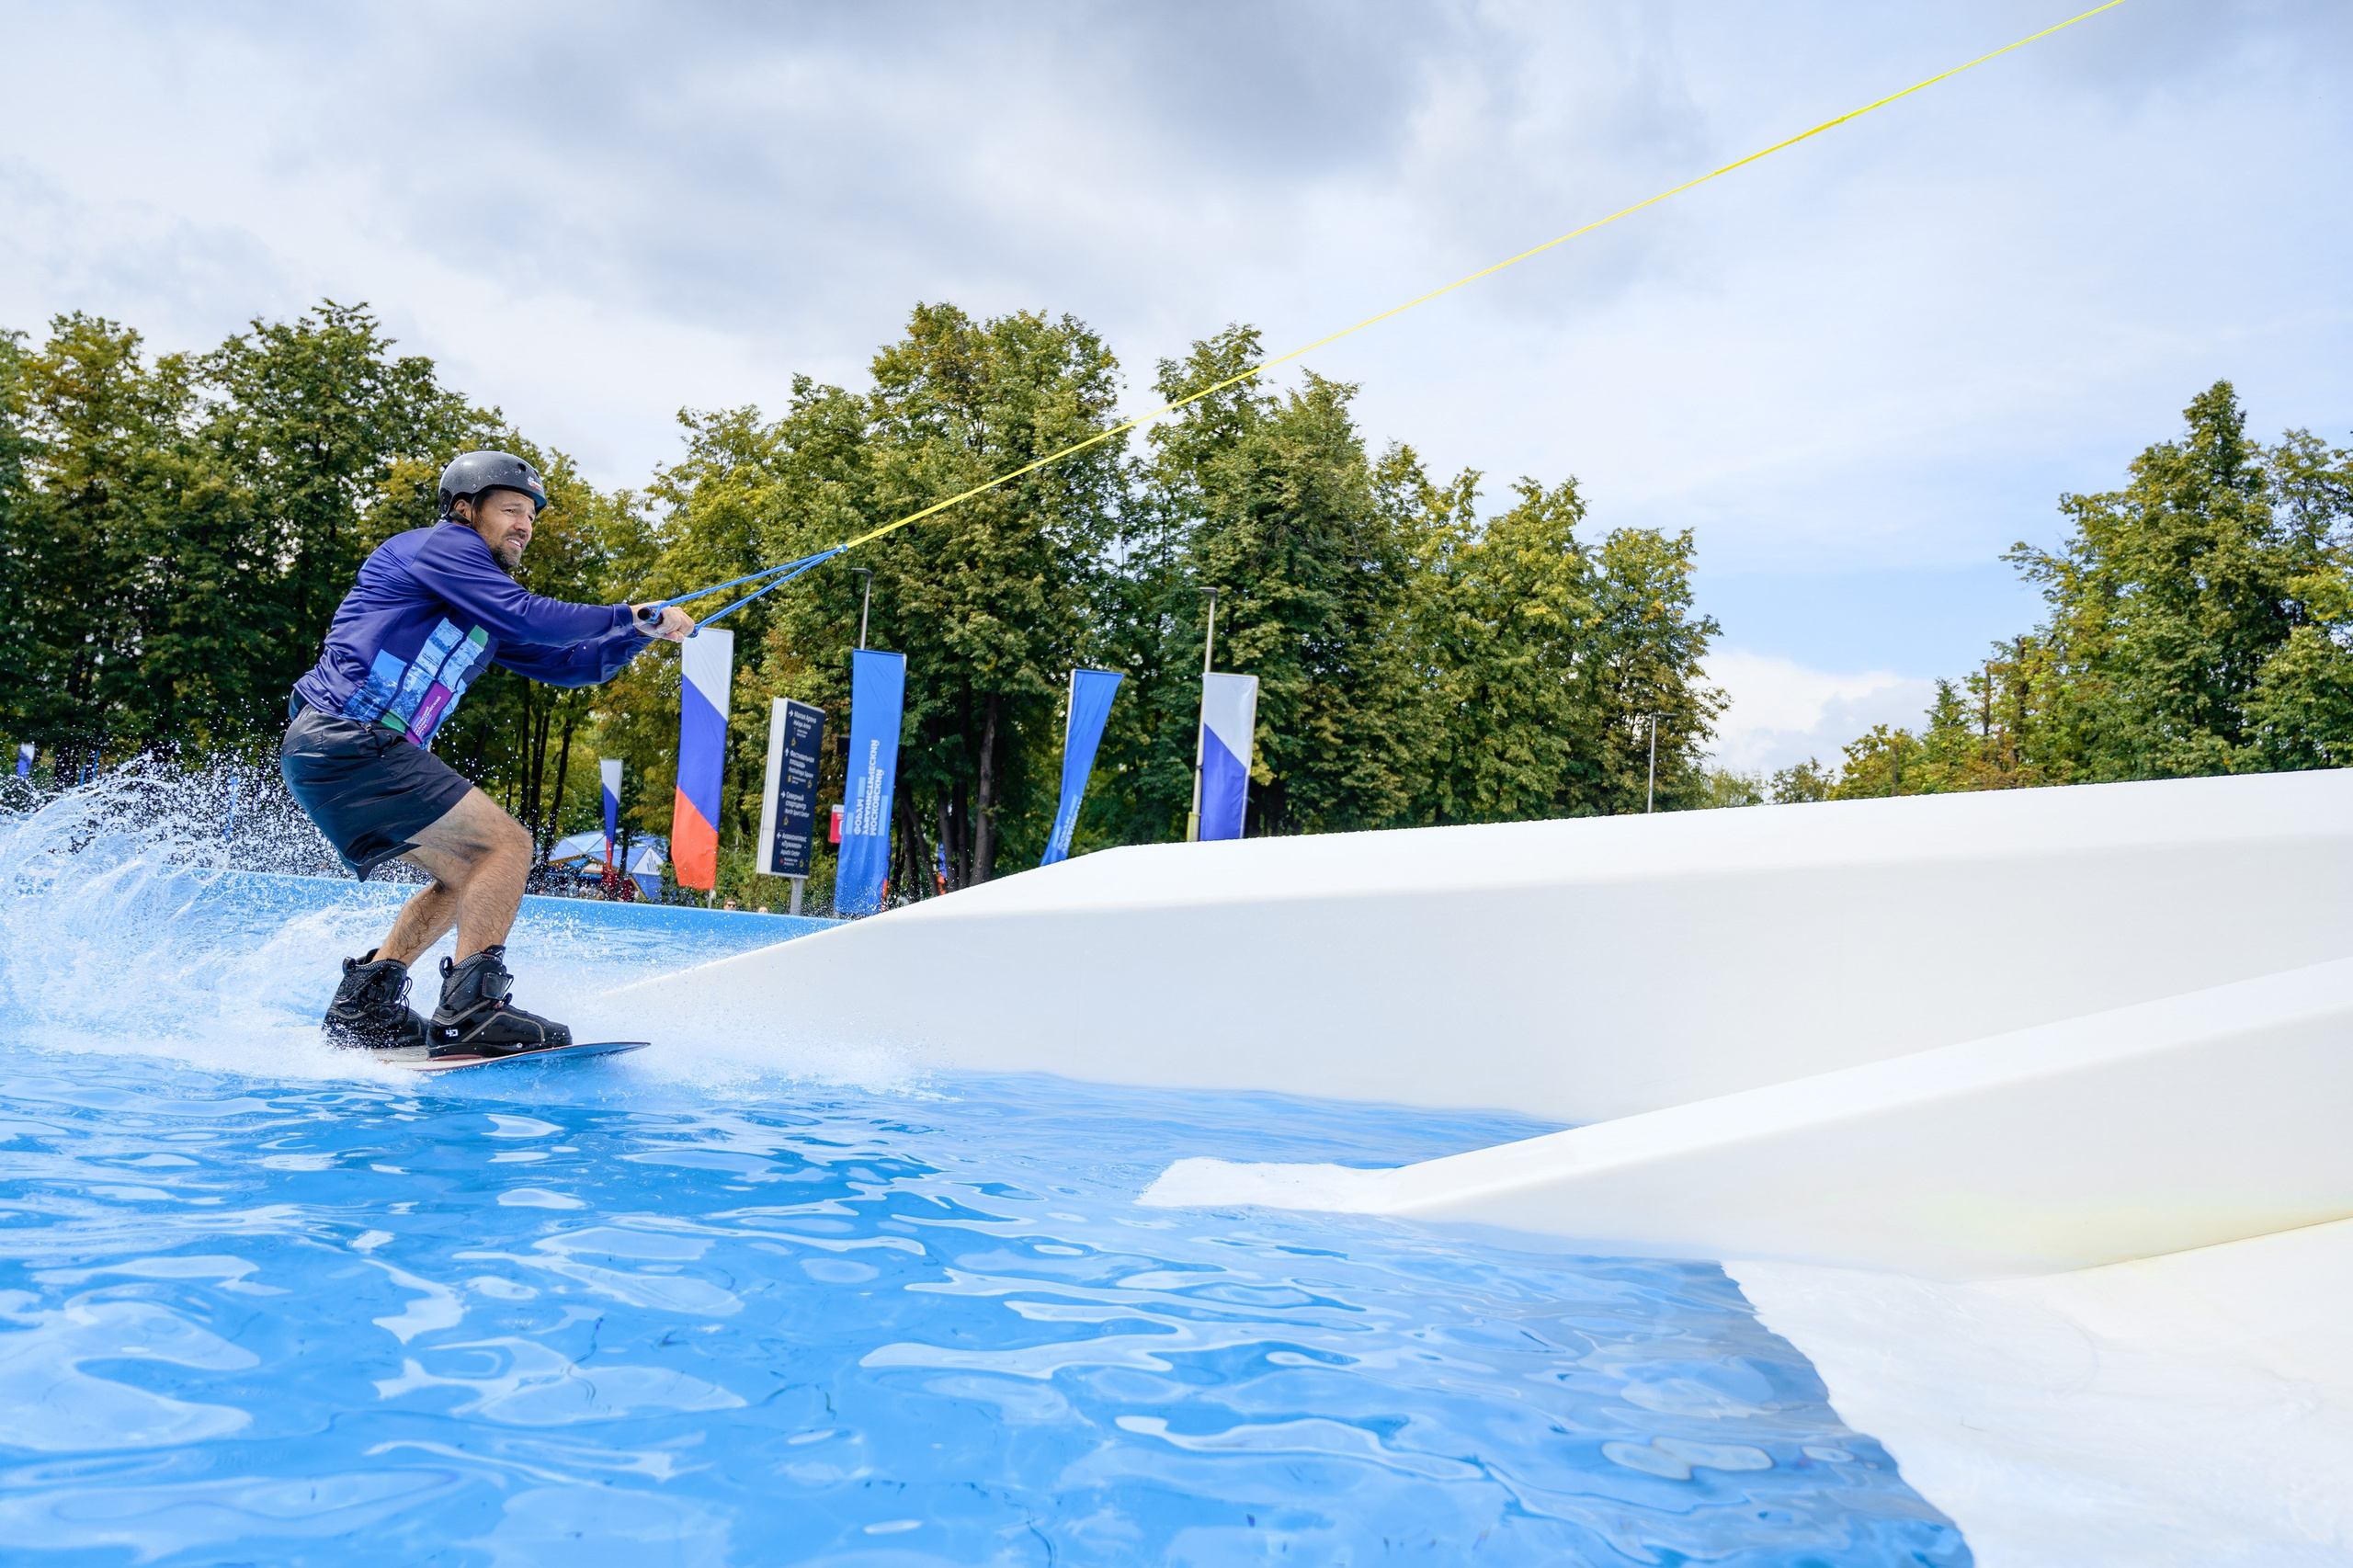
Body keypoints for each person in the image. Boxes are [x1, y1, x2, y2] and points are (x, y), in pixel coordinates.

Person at [280, 450, 694, 1055]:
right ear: (464, 509)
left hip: (334, 750)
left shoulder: (478, 603)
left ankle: (364, 1006)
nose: (524, 525)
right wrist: (624, 613)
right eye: (511, 510)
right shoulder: (439, 547)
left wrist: (636, 635)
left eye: (531, 516)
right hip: (351, 737)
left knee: (471, 875)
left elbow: (568, 664)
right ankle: (471, 1011)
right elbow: (529, 617)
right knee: (508, 846)